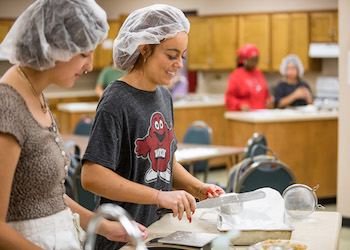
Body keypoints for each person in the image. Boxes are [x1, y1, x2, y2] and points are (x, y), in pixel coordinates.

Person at [0, 0, 147, 249]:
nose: (89, 65)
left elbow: (50, 198)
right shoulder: (7, 106)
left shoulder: (37, 96)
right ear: (54, 45)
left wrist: (104, 227)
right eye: (84, 53)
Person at [80, 4, 225, 249]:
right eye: (171, 55)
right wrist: (158, 196)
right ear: (145, 49)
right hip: (121, 236)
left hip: (154, 231)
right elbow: (91, 176)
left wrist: (198, 187)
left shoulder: (163, 96)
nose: (179, 64)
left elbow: (167, 163)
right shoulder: (116, 99)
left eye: (183, 56)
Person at [225, 44, 274, 111]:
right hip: (246, 116)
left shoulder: (259, 73)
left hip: (261, 113)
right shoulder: (236, 75)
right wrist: (240, 105)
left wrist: (268, 99)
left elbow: (265, 93)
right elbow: (229, 98)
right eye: (252, 60)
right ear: (244, 60)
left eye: (256, 60)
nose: (255, 63)